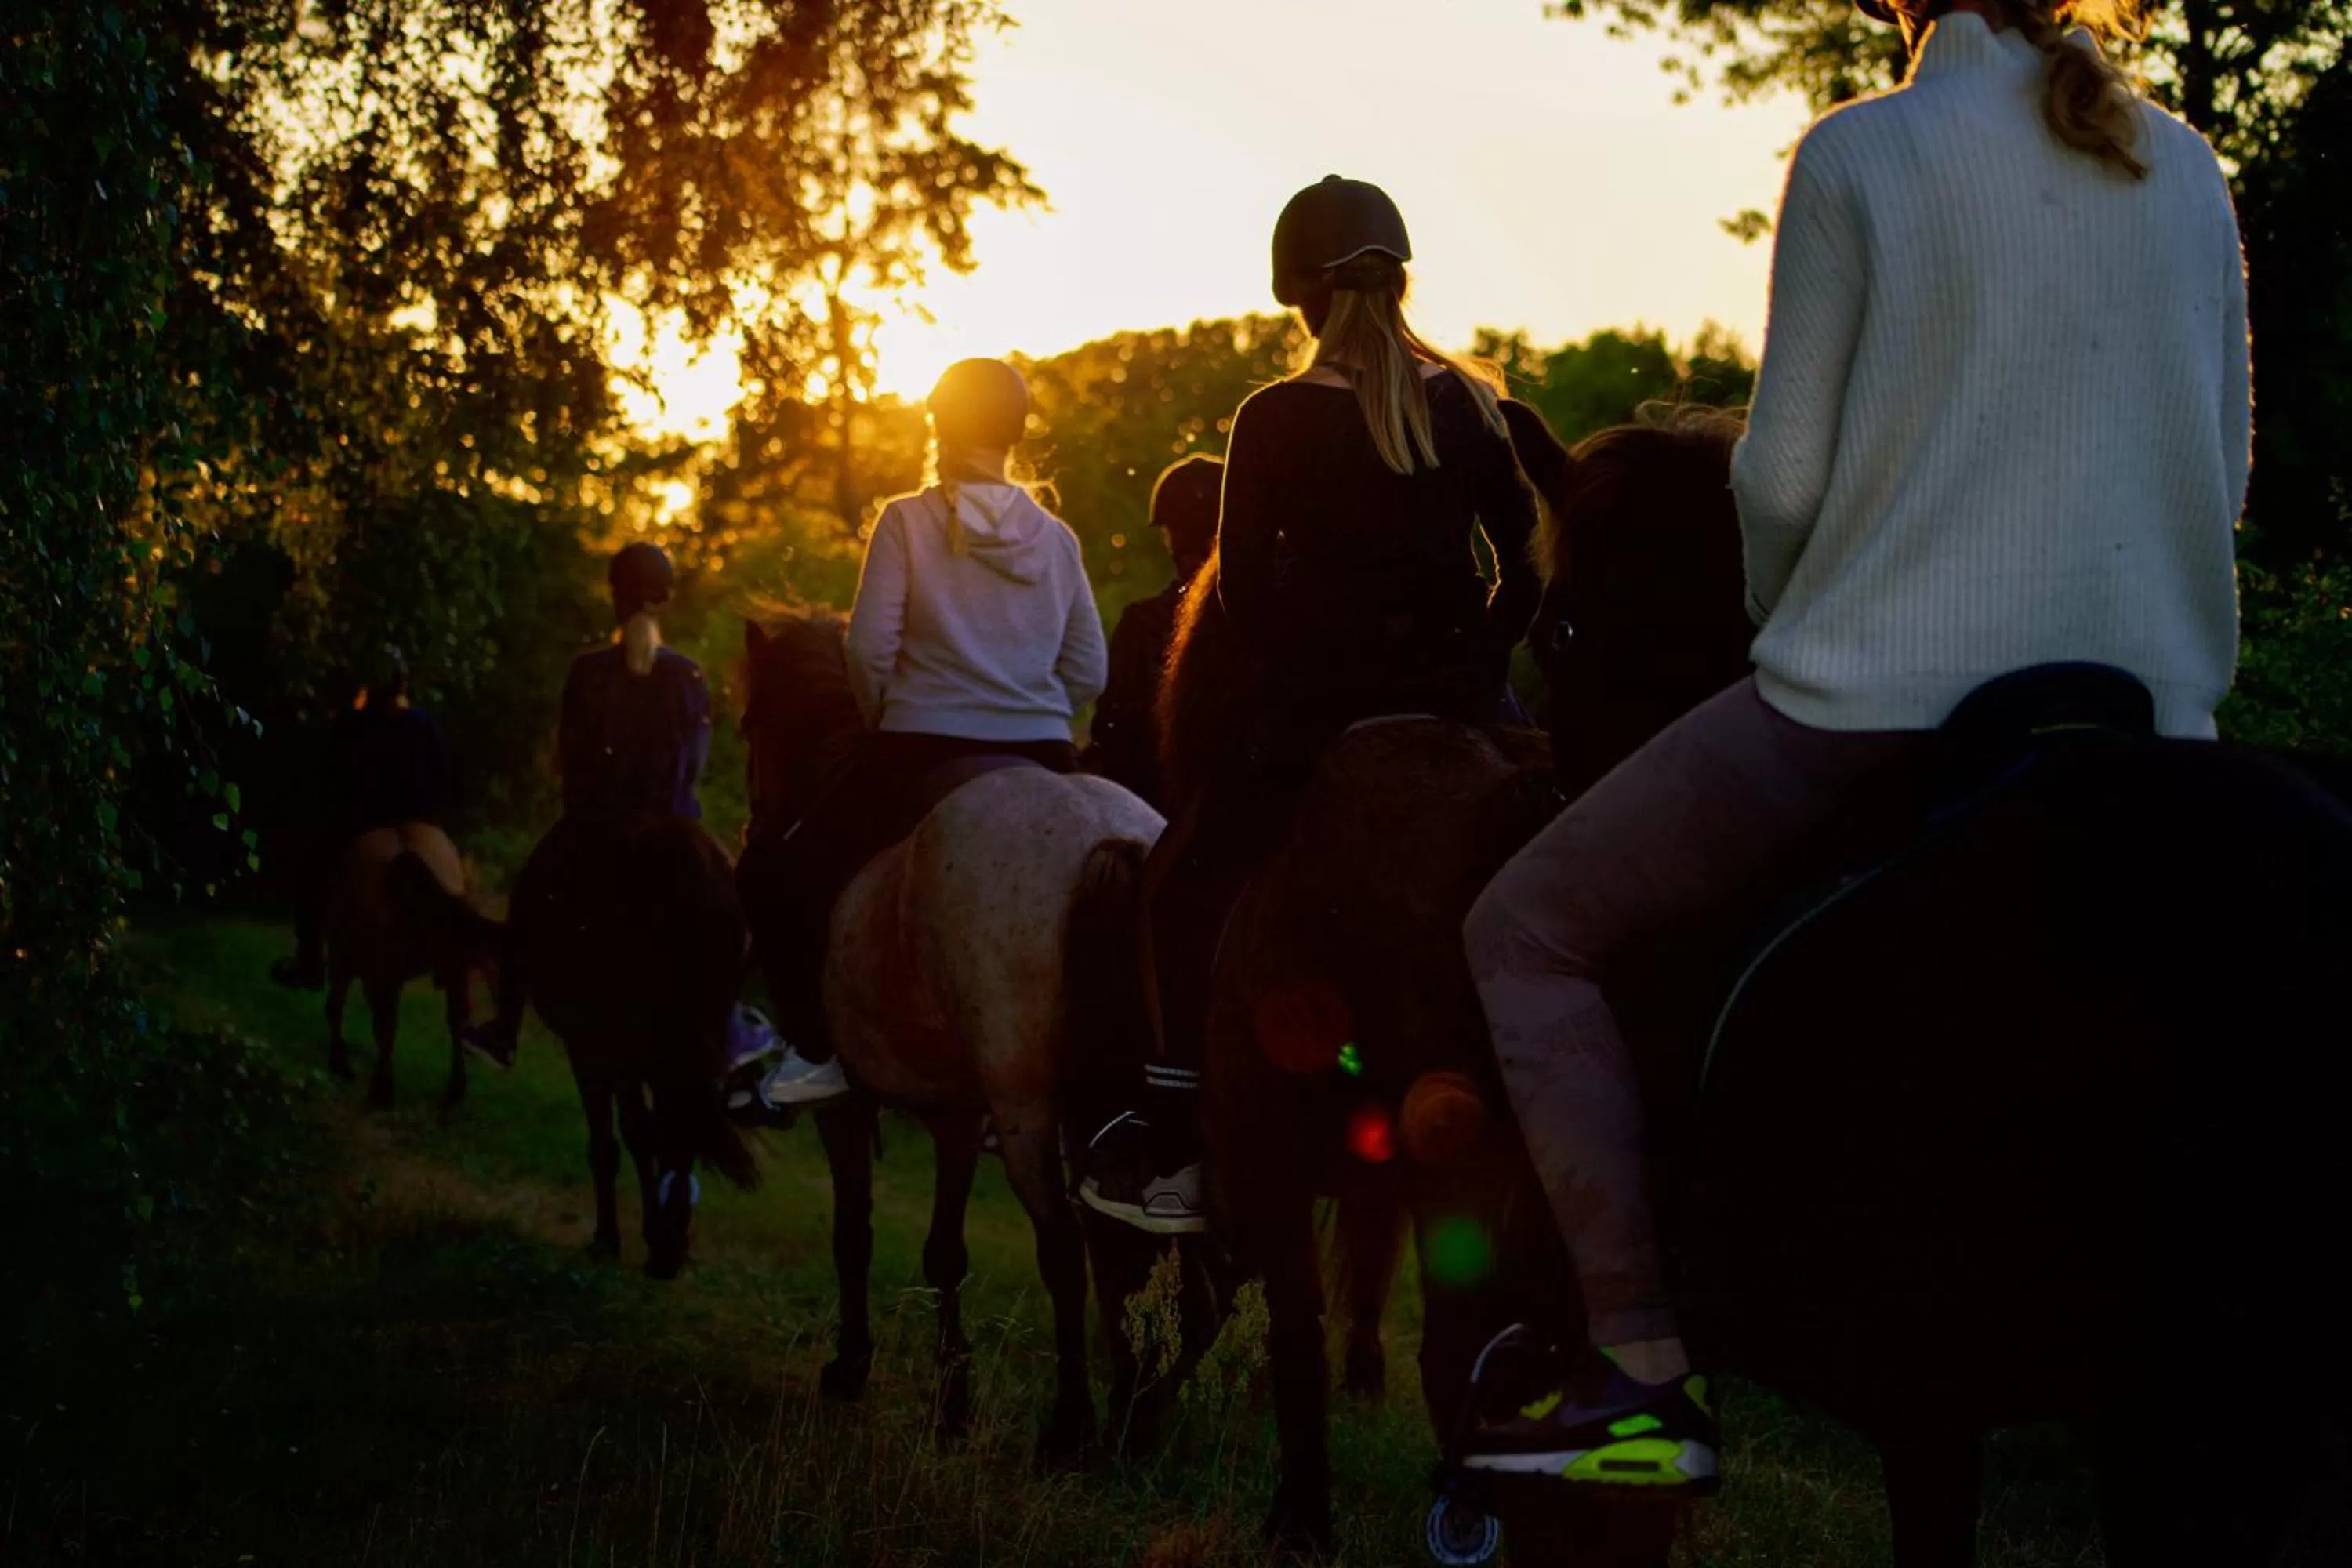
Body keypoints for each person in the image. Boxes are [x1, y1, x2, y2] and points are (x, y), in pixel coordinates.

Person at [1456, 0, 2249, 1492]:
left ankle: (1637, 1375)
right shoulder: (2190, 169)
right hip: (2154, 711)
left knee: (1527, 932)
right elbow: (2226, 475)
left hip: (1884, 696)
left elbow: (1787, 475)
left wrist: (1790, 616)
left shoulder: (1861, 154)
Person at [1076, 176, 1541, 1233]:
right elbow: (1527, 566)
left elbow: (1240, 588)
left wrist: (1313, 682)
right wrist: (1471, 661)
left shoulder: (1276, 417)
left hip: (1323, 716)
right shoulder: (1465, 402)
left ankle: (1176, 1134)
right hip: (1469, 711)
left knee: (1184, 882)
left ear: (1302, 299)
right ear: (1398, 277)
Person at [744, 357, 1109, 1110]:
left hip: (921, 743)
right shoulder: (1057, 538)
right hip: (1042, 748)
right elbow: (1089, 669)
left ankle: (815, 1055)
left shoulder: (906, 521)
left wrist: (885, 719)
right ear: (1015, 434)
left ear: (939, 425)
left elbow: (867, 649)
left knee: (783, 872)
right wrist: (1035, 708)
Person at [463, 540, 711, 1063]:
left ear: (615, 599)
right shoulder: (688, 675)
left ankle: (505, 1028)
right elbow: (692, 764)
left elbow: (573, 759)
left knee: (528, 897)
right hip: (675, 826)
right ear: (663, 600)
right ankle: (738, 1032)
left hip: (597, 826)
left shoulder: (589, 671)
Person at [272, 644, 453, 989]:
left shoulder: (355, 722)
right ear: (403, 683)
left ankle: (309, 961)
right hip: (421, 819)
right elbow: (442, 774)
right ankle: (451, 956)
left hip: (366, 820)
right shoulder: (423, 723)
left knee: (311, 868)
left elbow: (332, 774)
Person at [1083, 454, 1223, 809]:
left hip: (1154, 806)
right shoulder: (1271, 616)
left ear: (1170, 538)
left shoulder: (1141, 624)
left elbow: (1113, 731)